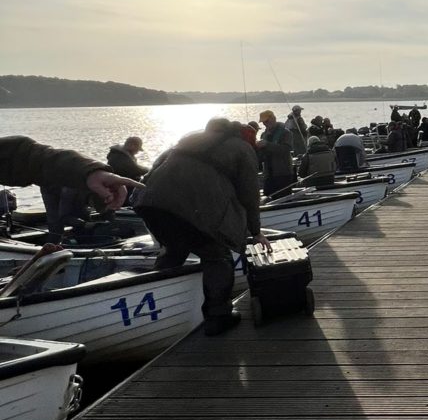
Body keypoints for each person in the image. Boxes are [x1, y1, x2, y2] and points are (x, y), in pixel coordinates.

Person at [135, 118, 270, 336]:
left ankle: (160, 312)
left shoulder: (188, 139)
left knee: (173, 250)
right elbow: (249, 193)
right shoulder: (241, 147)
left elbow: (155, 167)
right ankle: (219, 316)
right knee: (217, 256)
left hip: (152, 204)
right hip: (196, 209)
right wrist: (255, 231)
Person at [0, 136, 142, 232]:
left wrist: (90, 172)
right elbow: (64, 216)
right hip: (51, 188)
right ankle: (54, 241)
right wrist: (85, 224)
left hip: (61, 180)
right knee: (55, 221)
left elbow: (26, 154)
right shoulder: (71, 192)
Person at [257, 110, 294, 198]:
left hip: (282, 174)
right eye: (263, 122)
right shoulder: (263, 135)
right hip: (268, 175)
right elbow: (262, 156)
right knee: (268, 197)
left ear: (273, 119)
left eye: (266, 121)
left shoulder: (286, 133)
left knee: (284, 198)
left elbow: (286, 149)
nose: (265, 124)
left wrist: (267, 144)